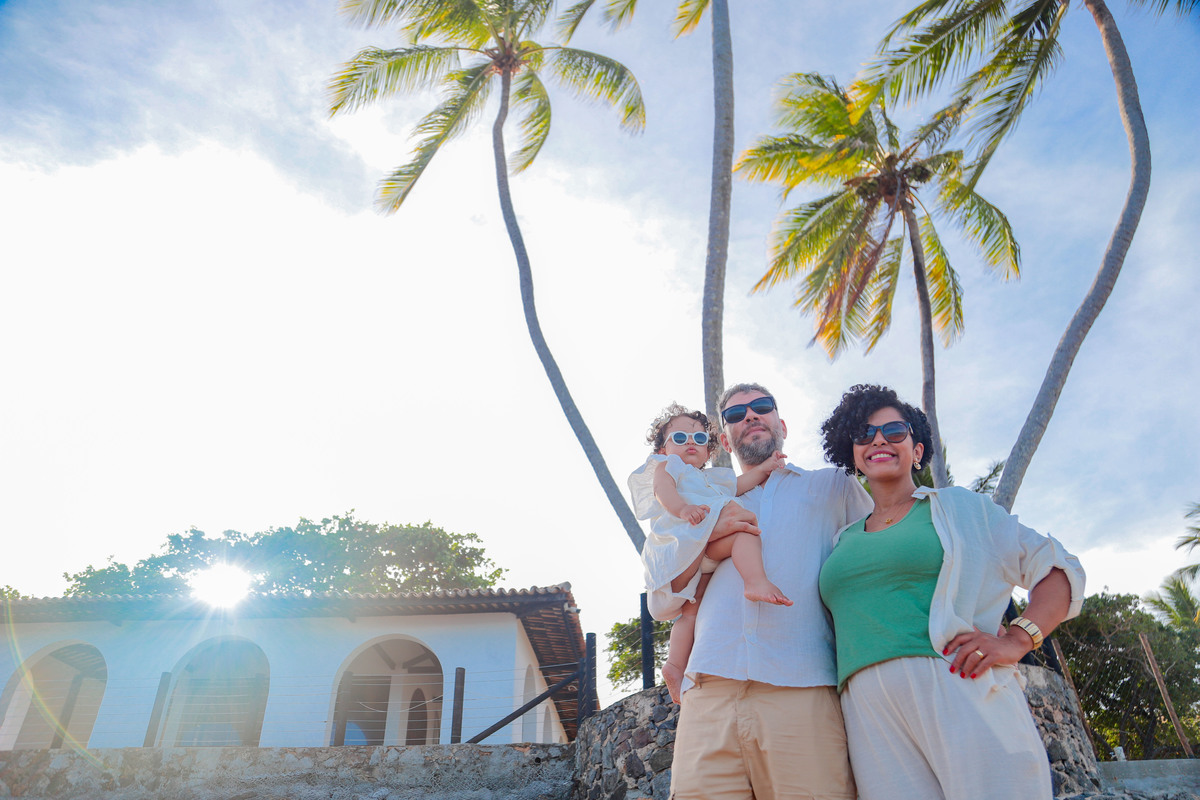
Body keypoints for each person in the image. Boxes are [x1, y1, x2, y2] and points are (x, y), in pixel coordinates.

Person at [816, 384, 1086, 800]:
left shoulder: (961, 510)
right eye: (864, 435)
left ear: (918, 449)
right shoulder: (840, 539)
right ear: (851, 454)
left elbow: (1057, 567)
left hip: (957, 683)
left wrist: (1018, 638)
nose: (879, 440)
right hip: (865, 706)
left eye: (895, 430)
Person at [643, 384, 873, 800]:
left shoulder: (833, 486)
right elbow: (666, 603)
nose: (749, 416)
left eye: (761, 407)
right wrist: (706, 540)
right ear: (725, 439)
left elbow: (877, 562)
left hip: (801, 687)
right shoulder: (699, 502)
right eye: (734, 415)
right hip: (709, 691)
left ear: (780, 424)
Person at [628, 403, 791, 703]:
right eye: (680, 438)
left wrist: (767, 467)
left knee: (693, 608)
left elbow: (741, 483)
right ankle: (755, 580)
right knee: (740, 517)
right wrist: (682, 508)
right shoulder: (669, 467)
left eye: (699, 439)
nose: (690, 442)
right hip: (682, 541)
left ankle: (675, 666)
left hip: (703, 551)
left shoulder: (713, 479)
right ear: (663, 449)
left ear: (709, 451)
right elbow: (662, 491)